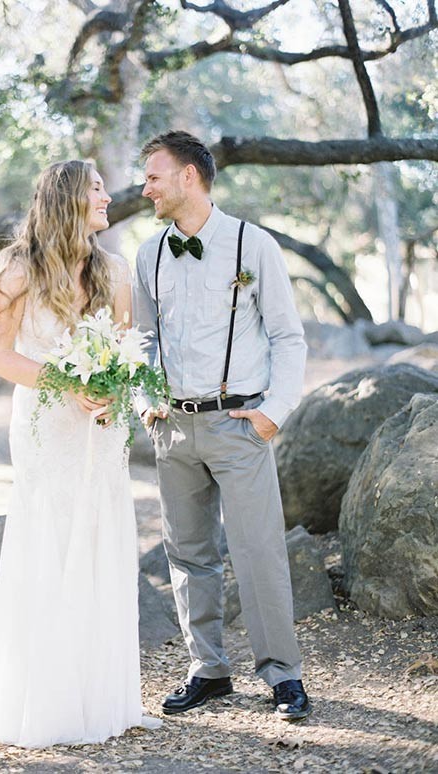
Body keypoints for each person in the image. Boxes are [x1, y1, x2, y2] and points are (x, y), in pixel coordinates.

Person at [0, 160, 154, 747]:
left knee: (99, 538)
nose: (107, 197)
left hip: (100, 429)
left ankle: (97, 695)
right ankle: (43, 697)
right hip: (46, 427)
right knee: (48, 540)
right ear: (67, 198)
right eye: (96, 188)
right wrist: (66, 383)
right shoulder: (19, 269)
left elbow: (123, 350)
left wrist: (112, 394)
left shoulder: (114, 269)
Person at [133, 131, 311, 721]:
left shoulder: (252, 244)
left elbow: (288, 336)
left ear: (188, 176)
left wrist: (272, 412)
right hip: (174, 429)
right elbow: (141, 341)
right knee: (188, 556)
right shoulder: (149, 254)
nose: (145, 188)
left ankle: (282, 675)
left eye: (154, 177)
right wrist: (145, 402)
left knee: (259, 552)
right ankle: (207, 670)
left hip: (239, 424)